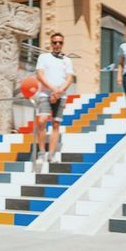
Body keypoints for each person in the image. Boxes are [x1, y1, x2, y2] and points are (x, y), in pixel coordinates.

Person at [35, 32, 74, 164]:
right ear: (51, 43)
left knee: (56, 124)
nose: (57, 45)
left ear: (63, 44)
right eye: (55, 42)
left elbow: (69, 79)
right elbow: (40, 75)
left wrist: (59, 92)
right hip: (45, 94)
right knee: (42, 120)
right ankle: (41, 153)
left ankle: (51, 155)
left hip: (61, 95)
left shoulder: (67, 60)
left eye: (60, 42)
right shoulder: (43, 57)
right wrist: (53, 91)